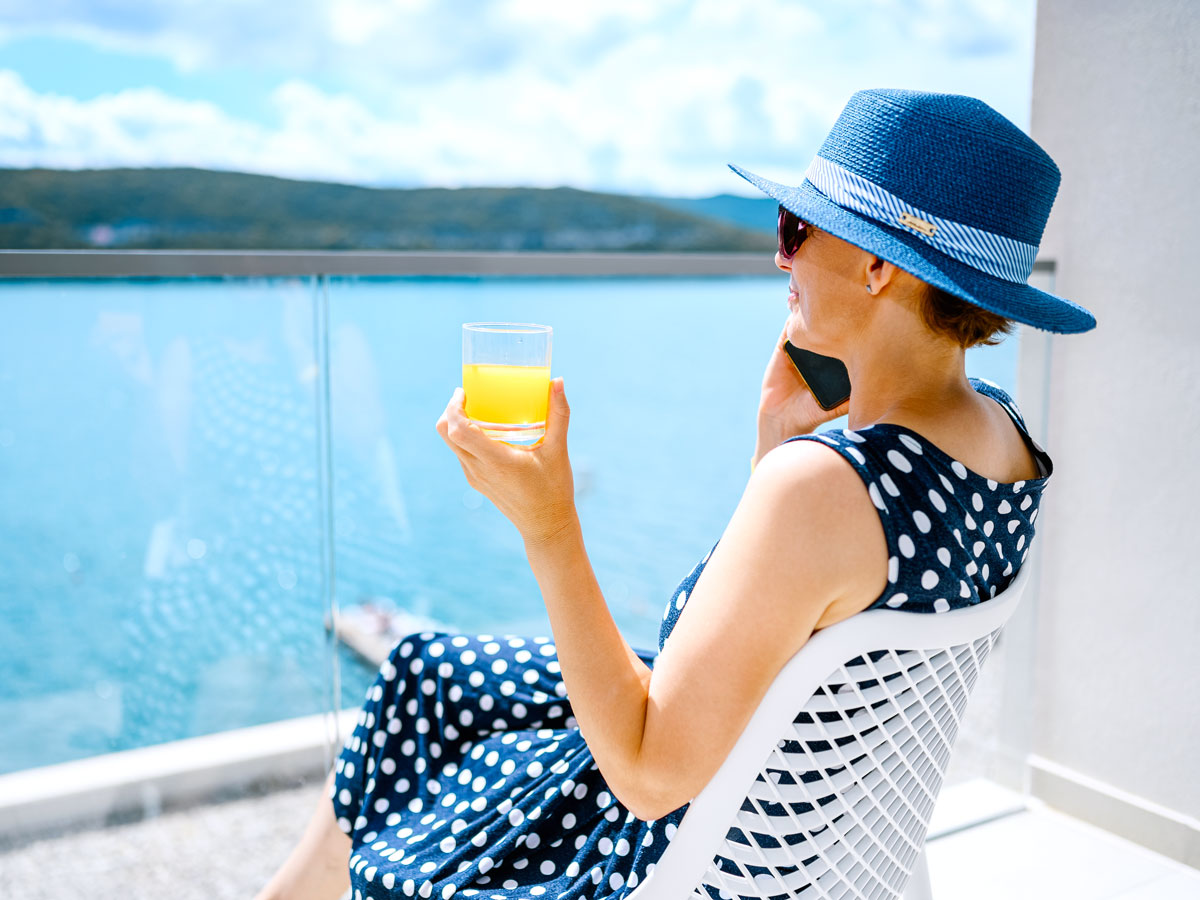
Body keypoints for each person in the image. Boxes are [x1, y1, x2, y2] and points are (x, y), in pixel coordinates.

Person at [256, 88, 1096, 900]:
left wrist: (550, 527)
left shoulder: (826, 488)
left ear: (877, 266)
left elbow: (647, 777)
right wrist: (778, 446)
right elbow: (802, 606)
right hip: (805, 816)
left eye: (797, 229)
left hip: (691, 845)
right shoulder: (1003, 436)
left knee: (423, 736)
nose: (781, 257)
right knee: (424, 669)